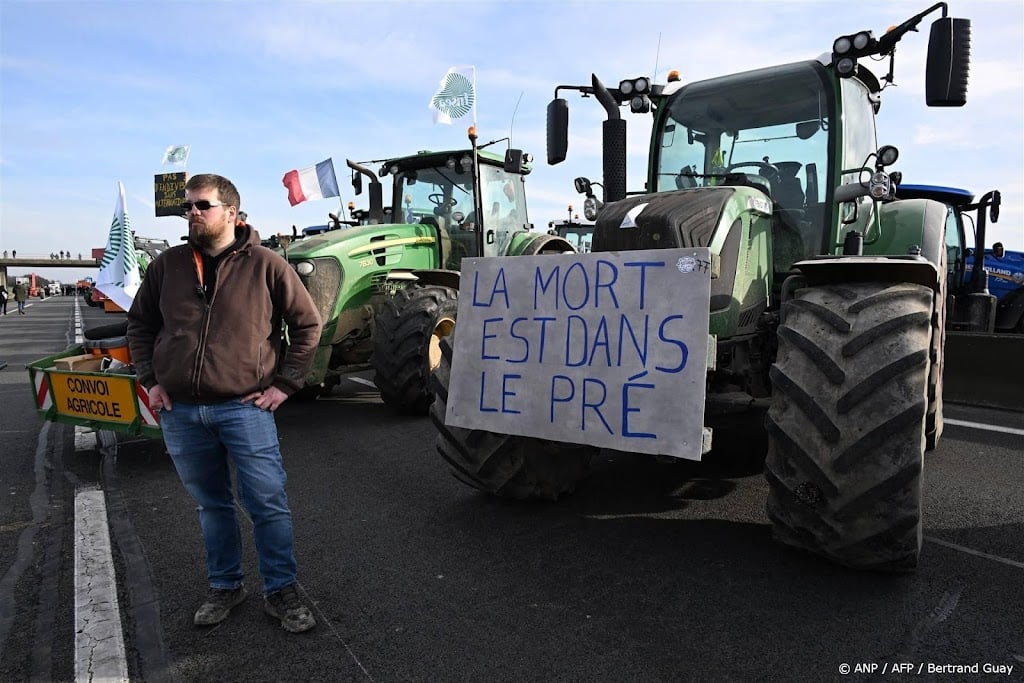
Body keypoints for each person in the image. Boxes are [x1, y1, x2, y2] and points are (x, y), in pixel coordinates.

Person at [126, 173, 323, 633]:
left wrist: (287, 384)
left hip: (245, 408)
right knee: (211, 505)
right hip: (181, 412)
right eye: (188, 207)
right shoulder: (168, 266)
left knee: (268, 503)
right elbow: (139, 325)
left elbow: (308, 326)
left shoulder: (267, 265)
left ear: (231, 213)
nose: (192, 213)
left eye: (202, 205)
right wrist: (150, 380)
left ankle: (281, 590)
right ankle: (226, 585)